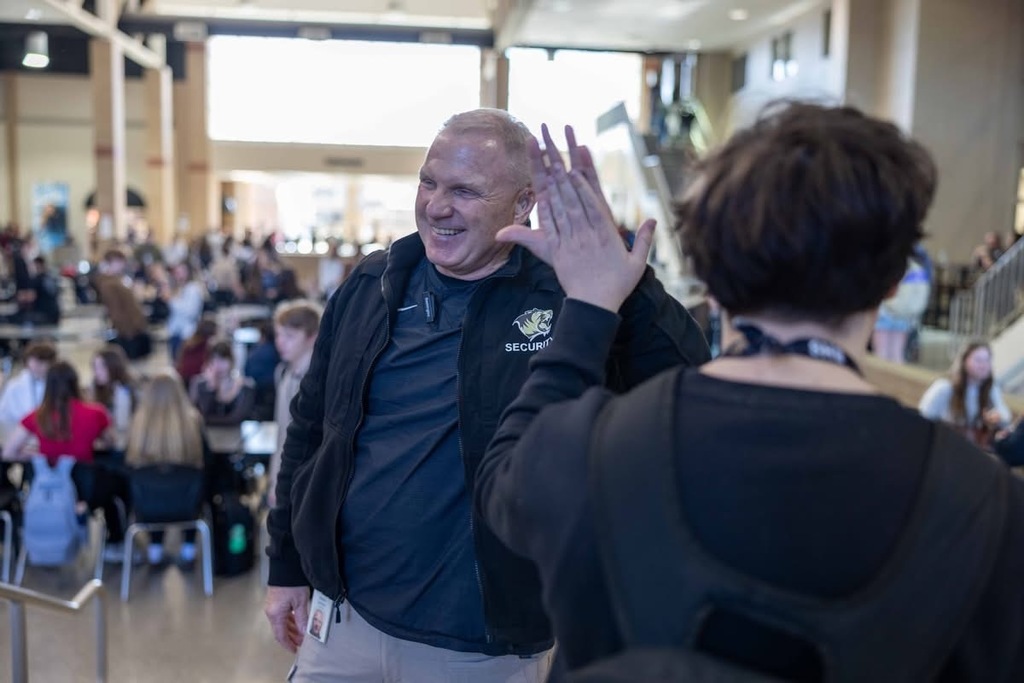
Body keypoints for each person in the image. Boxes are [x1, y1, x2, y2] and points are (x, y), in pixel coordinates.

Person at [474, 105, 1024, 680]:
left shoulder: (589, 447)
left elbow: (502, 483)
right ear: (891, 282)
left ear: (707, 275)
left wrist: (590, 304)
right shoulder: (986, 504)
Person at [264, 109, 709, 682]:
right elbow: (309, 430)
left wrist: (625, 282)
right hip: (345, 617)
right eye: (429, 182)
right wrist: (287, 565)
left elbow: (684, 384)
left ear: (523, 203)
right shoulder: (374, 283)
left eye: (465, 191)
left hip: (481, 646)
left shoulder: (571, 299)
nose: (436, 206)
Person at [3, 361, 126, 558]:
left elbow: (8, 452)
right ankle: (116, 542)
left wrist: (35, 456)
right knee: (116, 489)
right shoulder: (96, 413)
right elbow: (112, 442)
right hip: (86, 493)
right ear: (75, 383)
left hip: (47, 492)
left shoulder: (37, 416)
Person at [126, 371, 210, 565]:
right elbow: (206, 460)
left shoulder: (139, 422)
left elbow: (129, 461)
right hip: (188, 505)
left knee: (156, 485)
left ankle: (155, 546)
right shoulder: (193, 420)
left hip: (146, 506)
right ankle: (188, 546)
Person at [266, 301, 321, 507]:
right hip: (286, 471)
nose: (280, 342)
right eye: (279, 335)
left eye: (289, 336)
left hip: (309, 479)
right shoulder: (284, 373)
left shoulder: (319, 382)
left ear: (312, 337)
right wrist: (275, 480)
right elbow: (280, 433)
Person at [919, 340, 1013, 448]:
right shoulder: (945, 387)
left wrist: (997, 417)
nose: (984, 365)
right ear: (964, 361)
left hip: (974, 448)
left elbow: (1005, 416)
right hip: (946, 445)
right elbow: (924, 417)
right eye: (978, 360)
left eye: (987, 360)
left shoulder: (991, 389)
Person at [872, 251, 930, 364]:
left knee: (881, 353)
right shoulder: (917, 269)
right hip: (904, 315)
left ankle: (880, 381)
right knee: (897, 353)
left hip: (884, 313)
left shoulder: (886, 264)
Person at [94, 249, 152, 360]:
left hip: (133, 325)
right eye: (120, 262)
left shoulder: (118, 279)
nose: (122, 265)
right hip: (127, 329)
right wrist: (126, 330)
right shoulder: (108, 284)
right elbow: (115, 310)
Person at [189, 341, 255, 426]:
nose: (218, 365)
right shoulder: (199, 384)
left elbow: (236, 419)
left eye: (223, 359)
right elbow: (198, 416)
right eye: (214, 359)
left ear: (231, 361)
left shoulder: (244, 386)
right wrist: (211, 388)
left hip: (236, 435)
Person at [89, 345, 136, 448]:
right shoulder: (95, 387)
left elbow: (123, 425)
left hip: (125, 442)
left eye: (101, 367)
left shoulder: (126, 389)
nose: (96, 372)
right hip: (103, 442)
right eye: (95, 367)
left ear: (113, 367)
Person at [161, 261, 206, 361]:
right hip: (174, 333)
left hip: (187, 334)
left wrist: (171, 300)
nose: (179, 275)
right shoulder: (176, 289)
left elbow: (190, 312)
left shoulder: (193, 289)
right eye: (177, 272)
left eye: (182, 271)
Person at [176, 318, 219, 388]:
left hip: (183, 375)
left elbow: (179, 360)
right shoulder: (207, 345)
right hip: (195, 378)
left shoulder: (187, 341)